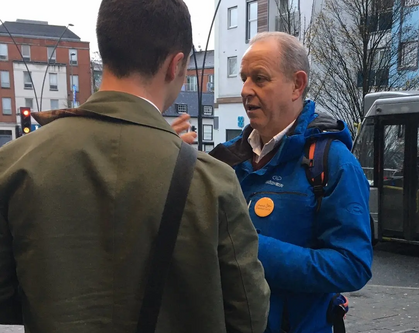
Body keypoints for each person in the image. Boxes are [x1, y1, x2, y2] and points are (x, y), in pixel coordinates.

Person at [0, 0, 270, 332]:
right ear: (176, 65)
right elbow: (250, 314)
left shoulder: (14, 164)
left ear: (106, 48)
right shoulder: (211, 181)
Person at [209, 32, 373, 333]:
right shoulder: (225, 159)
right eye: (244, 78)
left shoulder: (334, 163)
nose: (246, 89)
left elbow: (353, 265)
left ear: (297, 85)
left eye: (259, 78)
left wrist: (251, 250)